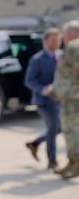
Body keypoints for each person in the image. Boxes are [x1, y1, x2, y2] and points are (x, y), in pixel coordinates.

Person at [24, 27, 62, 169]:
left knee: (58, 129)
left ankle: (35, 143)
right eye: (53, 40)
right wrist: (43, 89)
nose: (56, 42)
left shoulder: (63, 56)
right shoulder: (37, 59)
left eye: (58, 39)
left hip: (59, 100)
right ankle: (52, 161)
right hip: (43, 101)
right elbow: (29, 80)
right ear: (45, 41)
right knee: (52, 127)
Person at [52, 20, 79, 178]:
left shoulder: (74, 47)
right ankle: (72, 162)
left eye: (64, 33)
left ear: (70, 33)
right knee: (69, 131)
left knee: (72, 131)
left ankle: (76, 163)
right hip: (69, 97)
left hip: (73, 100)